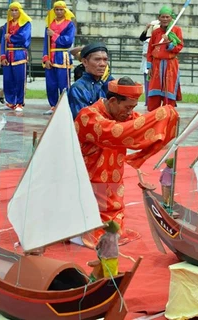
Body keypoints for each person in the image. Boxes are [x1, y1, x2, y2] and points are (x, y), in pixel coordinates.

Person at [75, 76, 179, 248]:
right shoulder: (88, 117)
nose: (130, 112)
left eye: (133, 107)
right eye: (128, 107)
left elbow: (143, 125)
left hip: (112, 186)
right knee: (101, 231)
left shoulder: (121, 115)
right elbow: (119, 132)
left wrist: (168, 120)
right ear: (113, 101)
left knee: (114, 227)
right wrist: (163, 114)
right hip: (88, 186)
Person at [42, 1, 76, 115]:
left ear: (65, 10)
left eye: (61, 9)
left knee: (63, 83)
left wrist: (54, 35)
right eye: (57, 9)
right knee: (51, 83)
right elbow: (45, 43)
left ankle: (64, 106)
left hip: (62, 56)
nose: (59, 12)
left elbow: (68, 41)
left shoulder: (69, 24)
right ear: (54, 11)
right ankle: (53, 106)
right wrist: (46, 58)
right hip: (51, 56)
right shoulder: (49, 24)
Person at [146, 5, 183, 111]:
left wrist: (169, 43)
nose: (165, 19)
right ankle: (153, 118)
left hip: (170, 65)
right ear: (159, 18)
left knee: (169, 92)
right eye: (163, 17)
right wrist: (149, 66)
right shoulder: (155, 32)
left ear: (171, 18)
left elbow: (179, 47)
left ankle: (168, 116)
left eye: (167, 17)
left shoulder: (176, 31)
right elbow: (150, 50)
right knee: (154, 93)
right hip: (156, 65)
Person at [0, 1, 32, 112]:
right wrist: (2, 56)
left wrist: (10, 37)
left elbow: (23, 38)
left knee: (20, 80)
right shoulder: (6, 25)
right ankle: (10, 102)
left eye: (16, 10)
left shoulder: (26, 23)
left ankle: (19, 102)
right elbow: (2, 41)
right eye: (12, 10)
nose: (13, 12)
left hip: (19, 54)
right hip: (8, 54)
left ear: (20, 11)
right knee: (8, 79)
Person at [68, 42, 114, 119]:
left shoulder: (110, 83)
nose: (103, 64)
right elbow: (83, 120)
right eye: (97, 59)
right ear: (85, 62)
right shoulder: (78, 89)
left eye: (105, 59)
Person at [140, 21, 160, 108]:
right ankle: (148, 102)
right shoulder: (148, 41)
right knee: (148, 85)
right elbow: (145, 53)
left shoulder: (159, 40)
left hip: (157, 66)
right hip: (148, 67)